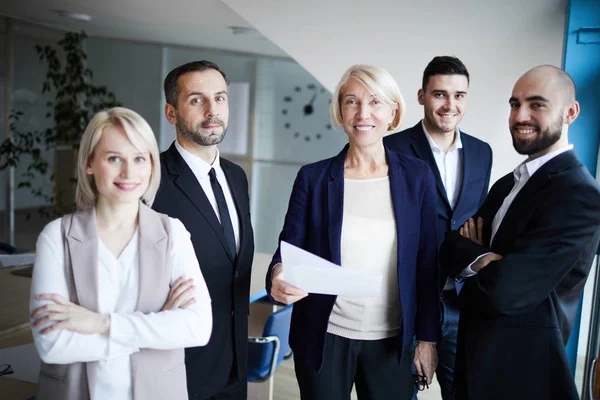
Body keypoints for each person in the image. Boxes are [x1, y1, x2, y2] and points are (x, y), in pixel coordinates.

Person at [266, 64, 440, 400]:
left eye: (375, 101)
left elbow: (427, 262)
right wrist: (278, 273)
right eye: (351, 101)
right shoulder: (313, 178)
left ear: (393, 112)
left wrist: (428, 339)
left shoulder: (417, 176)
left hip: (393, 342)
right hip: (325, 336)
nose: (363, 113)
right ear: (340, 111)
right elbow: (288, 249)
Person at [29, 107, 213, 400]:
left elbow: (198, 327)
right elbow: (52, 343)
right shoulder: (57, 236)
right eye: (114, 158)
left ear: (151, 165)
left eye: (140, 159)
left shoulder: (172, 233)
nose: (129, 173)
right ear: (90, 163)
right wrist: (156, 326)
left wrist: (101, 324)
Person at [440, 65, 600, 399]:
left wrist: (476, 262)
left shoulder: (579, 195)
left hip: (522, 376)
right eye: (515, 104)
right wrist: (489, 260)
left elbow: (505, 292)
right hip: (475, 366)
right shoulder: (509, 183)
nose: (520, 115)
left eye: (537, 105)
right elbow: (451, 247)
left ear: (570, 112)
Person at [384, 56, 492, 399]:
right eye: (440, 94)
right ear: (421, 96)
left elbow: (476, 222)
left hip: (462, 301)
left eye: (459, 95)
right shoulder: (391, 149)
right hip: (406, 302)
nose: (450, 105)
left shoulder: (481, 152)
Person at [153, 60, 255, 400]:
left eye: (220, 98)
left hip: (235, 363)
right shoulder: (150, 181)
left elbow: (234, 265)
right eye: (197, 100)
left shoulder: (236, 177)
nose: (213, 110)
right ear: (171, 113)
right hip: (180, 366)